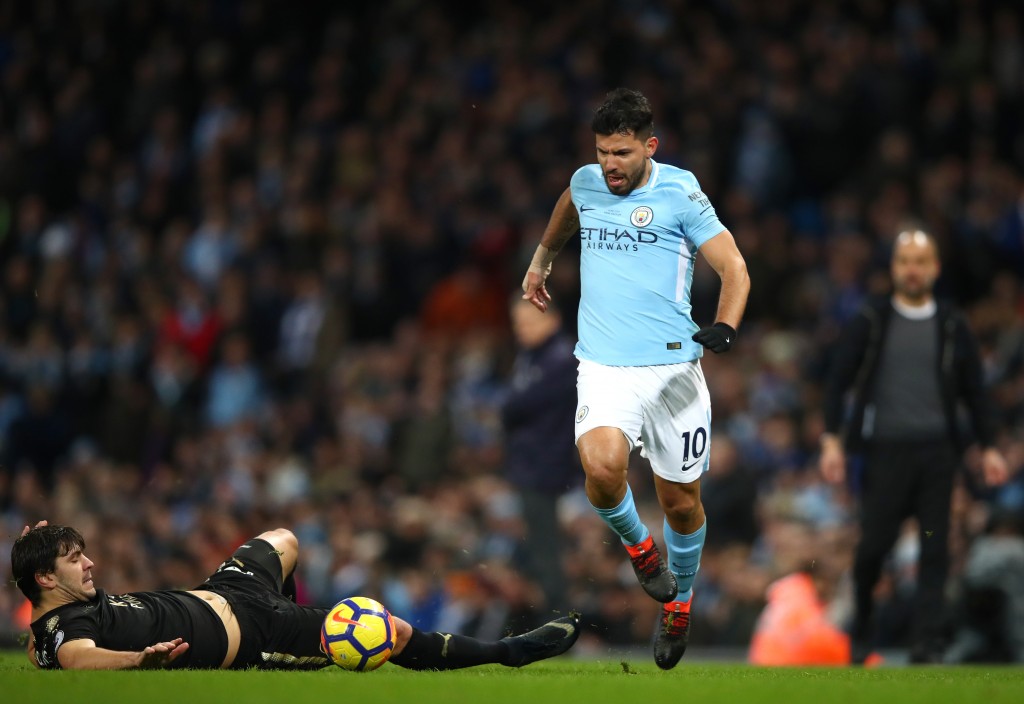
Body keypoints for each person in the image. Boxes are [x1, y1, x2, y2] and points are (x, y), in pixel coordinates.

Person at [521, 88, 750, 669]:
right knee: (600, 470)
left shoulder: (680, 191)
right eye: (602, 152)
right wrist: (542, 260)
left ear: (650, 146)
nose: (609, 165)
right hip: (604, 366)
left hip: (673, 371)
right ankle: (641, 550)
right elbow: (569, 203)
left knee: (681, 504)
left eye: (621, 153)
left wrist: (725, 325)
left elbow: (734, 266)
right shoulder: (587, 182)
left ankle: (680, 605)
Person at [12, 521, 580, 671]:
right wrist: (140, 660)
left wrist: (39, 548)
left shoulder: (59, 616)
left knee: (282, 539)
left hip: (225, 589)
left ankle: (298, 616)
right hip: (250, 634)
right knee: (392, 631)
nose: (89, 563)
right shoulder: (65, 631)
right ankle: (510, 652)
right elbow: (74, 657)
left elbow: (46, 650)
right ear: (45, 579)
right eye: (73, 559)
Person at [819, 228, 1010, 663]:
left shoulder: (951, 323)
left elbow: (975, 390)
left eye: (920, 261)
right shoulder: (872, 320)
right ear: (894, 268)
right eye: (905, 260)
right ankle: (862, 624)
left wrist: (989, 446)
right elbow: (838, 381)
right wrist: (832, 440)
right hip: (884, 452)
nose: (912, 269)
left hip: (937, 453)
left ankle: (927, 643)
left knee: (933, 546)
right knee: (873, 548)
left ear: (935, 268)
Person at [501, 295, 580, 614]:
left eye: (530, 322)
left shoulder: (561, 358)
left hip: (548, 469)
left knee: (547, 553)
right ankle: (542, 618)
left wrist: (511, 405)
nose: (522, 329)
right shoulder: (531, 356)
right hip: (530, 466)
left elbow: (517, 405)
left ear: (553, 319)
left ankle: (561, 620)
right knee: (534, 551)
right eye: (518, 323)